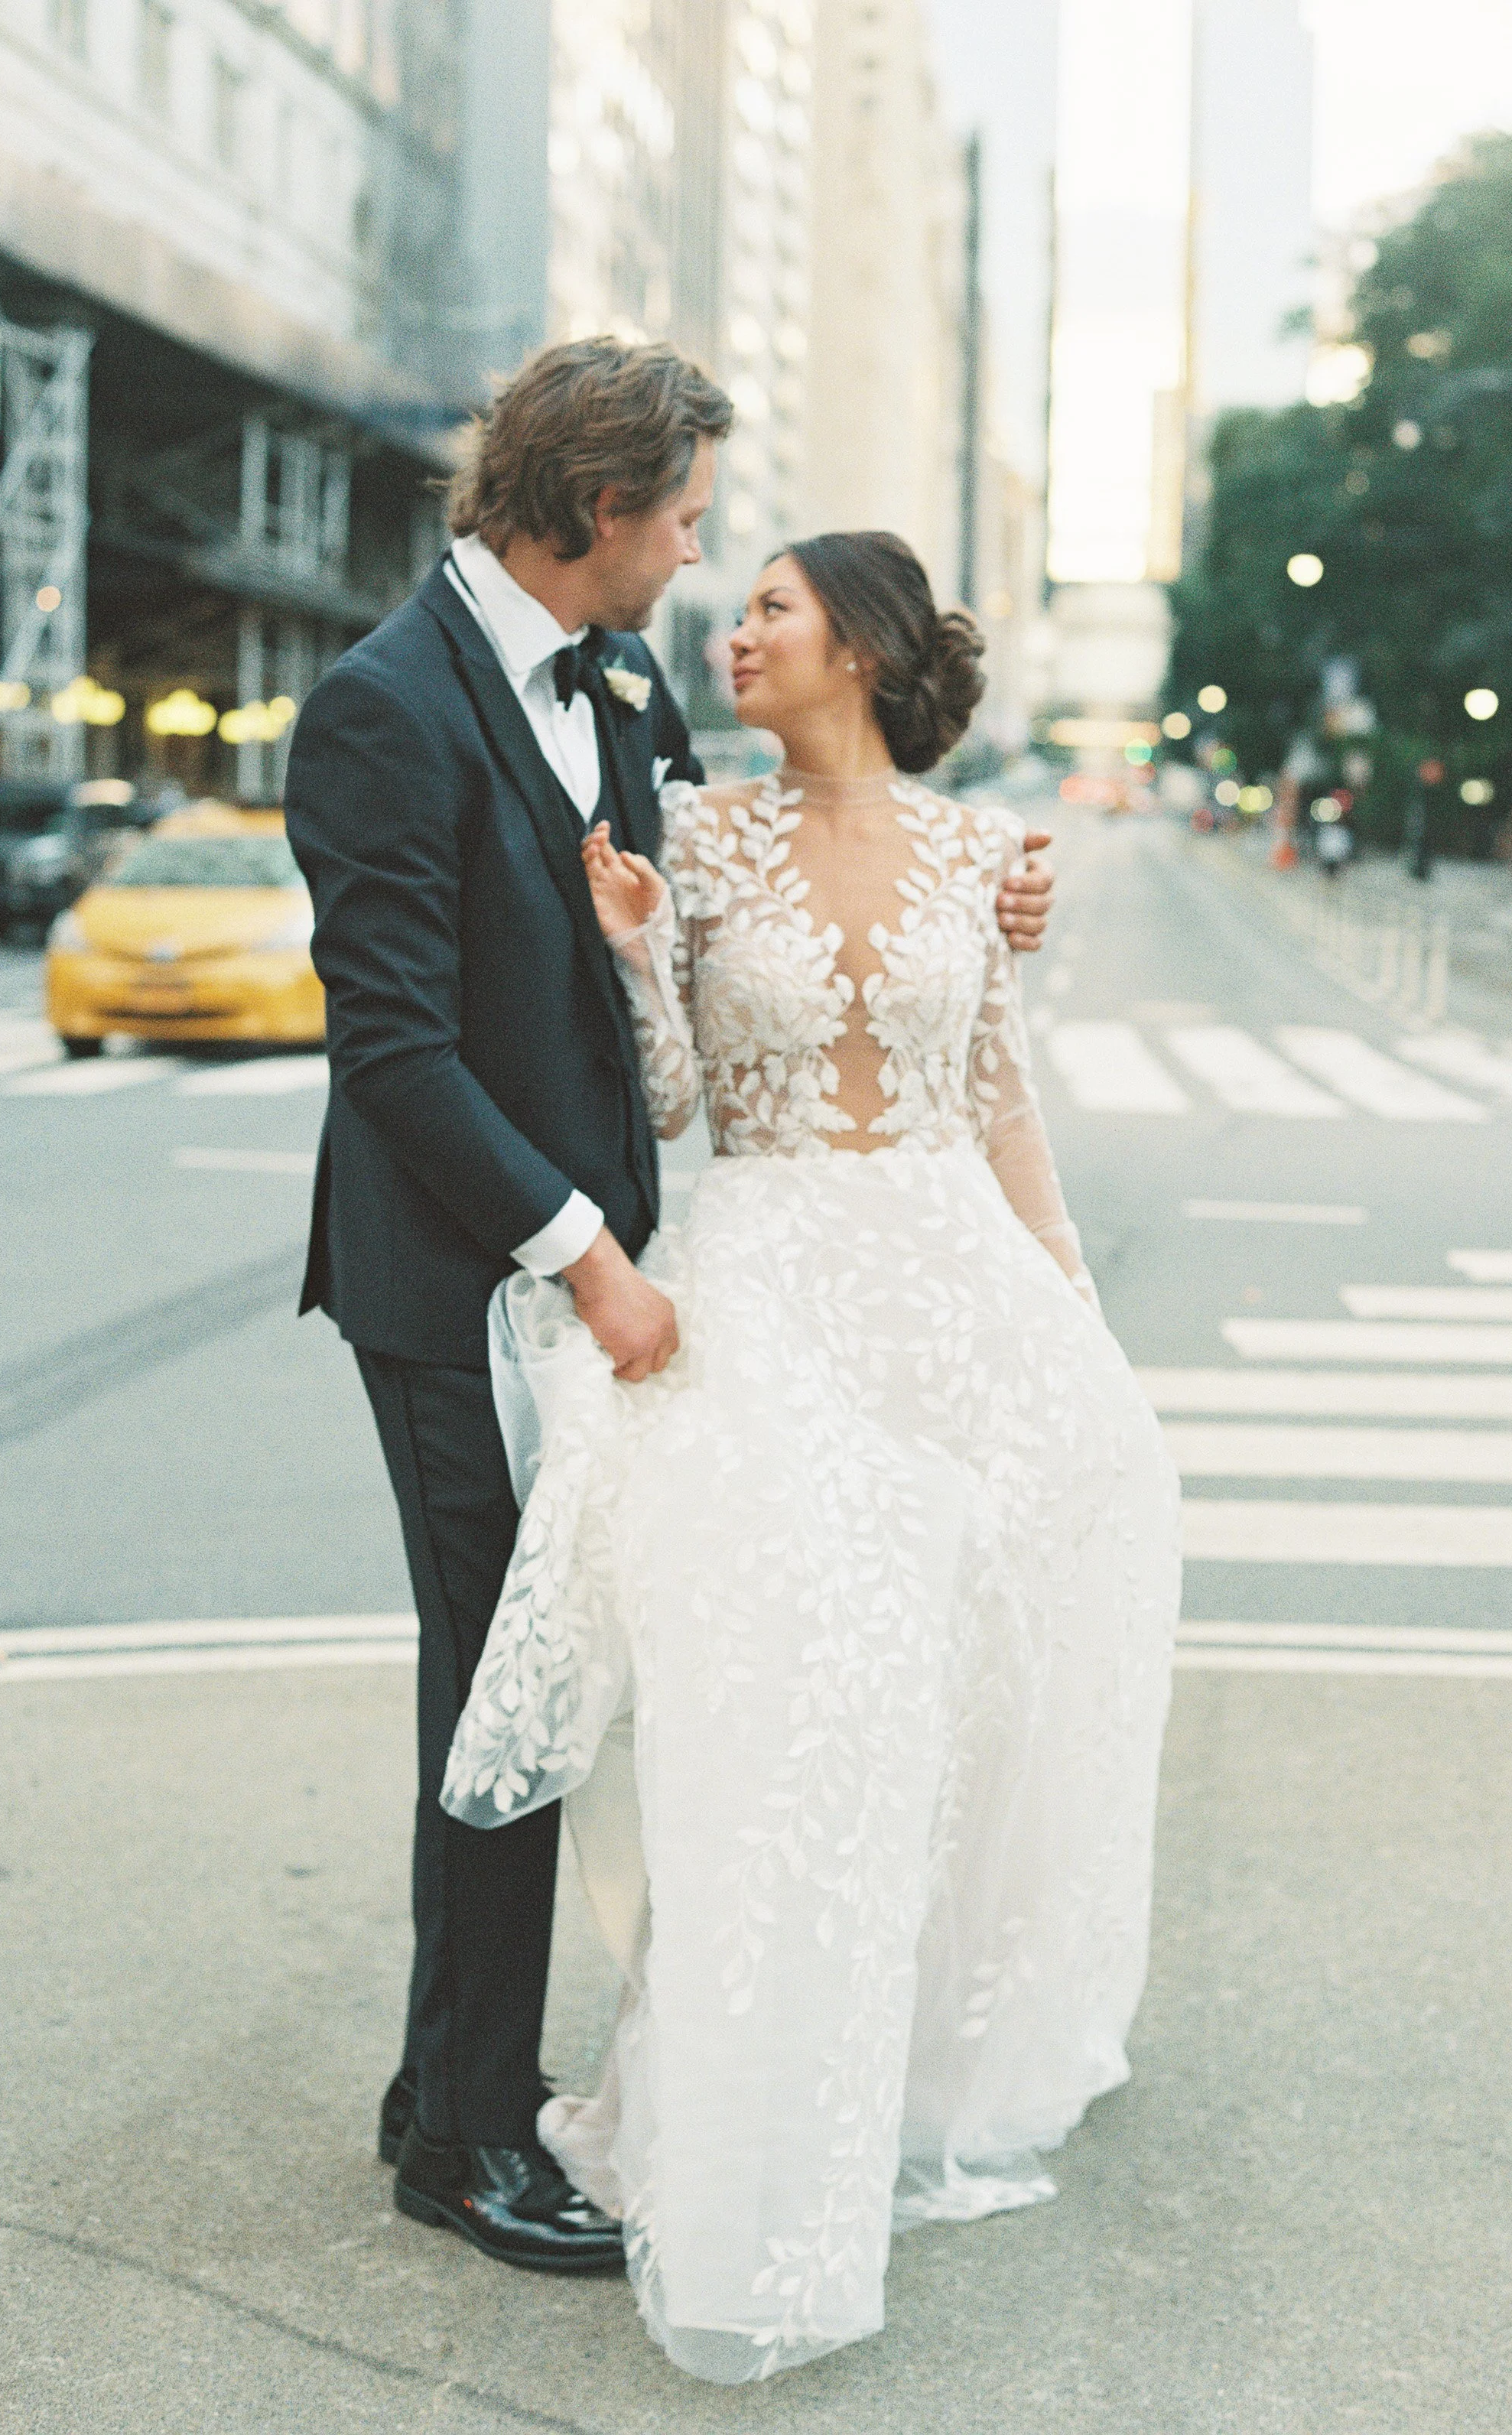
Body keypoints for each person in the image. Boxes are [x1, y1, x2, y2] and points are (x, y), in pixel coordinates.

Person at [283, 341, 1056, 2275]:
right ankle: (466, 2134)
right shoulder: (381, 707)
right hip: (461, 1278)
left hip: (607, 1276)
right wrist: (590, 1256)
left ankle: (443, 2074)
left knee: (564, 1669)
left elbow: (747, 903)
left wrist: (981, 901)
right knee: (511, 1674)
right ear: (599, 507)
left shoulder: (615, 681)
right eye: (687, 516)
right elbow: (394, 1050)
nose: (701, 555)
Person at [443, 531, 1181, 2378]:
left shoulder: (977, 850)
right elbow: (677, 1101)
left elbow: (995, 1094)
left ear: (856, 641)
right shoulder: (693, 834)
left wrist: (1068, 1297)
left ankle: (927, 2049)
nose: (739, 628)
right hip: (772, 1273)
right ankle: (751, 2084)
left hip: (955, 1280)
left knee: (987, 1671)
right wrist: (635, 953)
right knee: (803, 1685)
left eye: (771, 604)